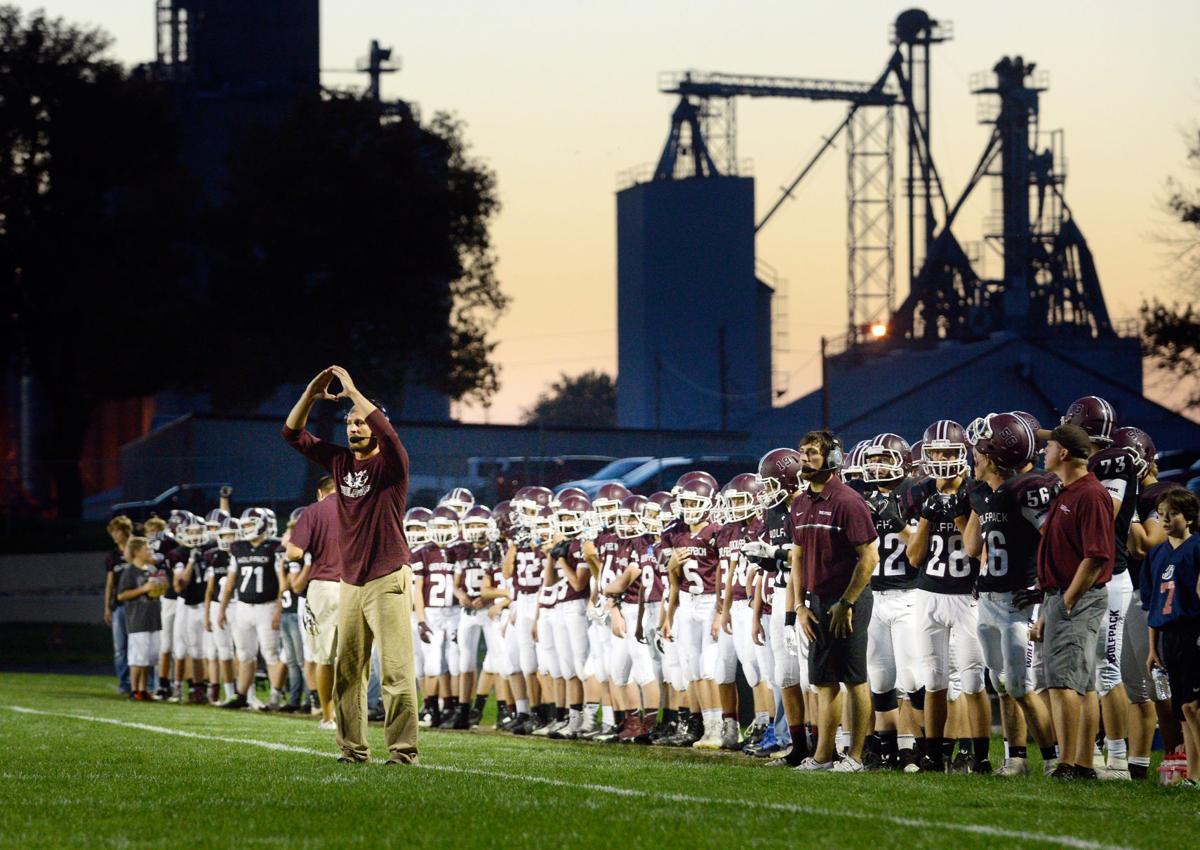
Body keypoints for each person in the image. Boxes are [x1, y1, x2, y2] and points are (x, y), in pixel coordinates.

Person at [283, 365, 419, 765]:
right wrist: (310, 393)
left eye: (361, 421)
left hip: (388, 576)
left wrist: (354, 391)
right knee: (347, 673)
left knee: (395, 673)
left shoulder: (392, 464)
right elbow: (292, 434)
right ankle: (352, 750)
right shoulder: (341, 463)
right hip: (350, 580)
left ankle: (403, 752)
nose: (353, 427)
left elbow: (390, 435)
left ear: (376, 426)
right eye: (349, 422)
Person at [790, 430, 880, 772]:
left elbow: (870, 558)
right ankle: (823, 756)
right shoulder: (800, 502)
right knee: (823, 680)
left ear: (833, 459)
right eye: (803, 451)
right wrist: (799, 605)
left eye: (812, 452)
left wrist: (847, 602)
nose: (805, 458)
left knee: (854, 677)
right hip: (816, 600)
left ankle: (855, 756)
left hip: (848, 601)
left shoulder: (847, 501)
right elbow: (797, 558)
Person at [1032, 424, 1115, 780]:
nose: (1043, 452)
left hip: (1076, 596)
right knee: (1080, 682)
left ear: (1063, 453)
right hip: (1063, 596)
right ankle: (1081, 763)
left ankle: (1069, 762)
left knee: (1064, 683)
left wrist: (1065, 601)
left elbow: (1095, 556)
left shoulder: (1090, 493)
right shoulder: (1068, 491)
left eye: (1049, 447)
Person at [1142, 489, 1200, 785]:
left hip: (1193, 632)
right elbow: (1152, 605)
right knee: (1181, 710)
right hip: (1168, 637)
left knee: (1193, 706)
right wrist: (1152, 649)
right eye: (1161, 514)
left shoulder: (1197, 548)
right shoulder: (1157, 554)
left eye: (1171, 514)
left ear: (1188, 517)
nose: (1164, 520)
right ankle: (1192, 773)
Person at [285, 476, 342, 730]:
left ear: (321, 492)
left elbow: (294, 552)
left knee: (324, 656)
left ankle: (328, 716)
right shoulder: (359, 508)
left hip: (325, 586)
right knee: (354, 656)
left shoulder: (314, 511)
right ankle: (352, 712)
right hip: (357, 587)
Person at [116, 537, 167, 700]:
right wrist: (144, 588)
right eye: (147, 549)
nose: (150, 552)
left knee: (149, 658)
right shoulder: (129, 571)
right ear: (137, 551)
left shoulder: (151, 568)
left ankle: (144, 689)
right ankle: (134, 689)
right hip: (137, 619)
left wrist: (161, 587)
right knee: (137, 658)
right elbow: (121, 595)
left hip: (153, 618)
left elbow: (158, 591)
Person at [104, 516, 134, 695]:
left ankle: (142, 683)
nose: (115, 535)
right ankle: (125, 683)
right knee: (120, 648)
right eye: (112, 532)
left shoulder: (137, 549)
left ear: (125, 531)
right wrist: (107, 606)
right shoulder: (112, 556)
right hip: (119, 606)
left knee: (137, 645)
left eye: (117, 531)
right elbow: (109, 583)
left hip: (136, 606)